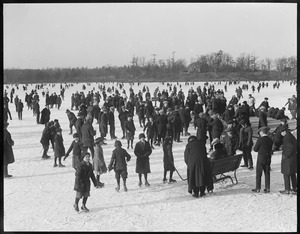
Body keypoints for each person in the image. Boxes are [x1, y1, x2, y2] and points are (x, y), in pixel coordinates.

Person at [252, 126, 273, 193]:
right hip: (268, 158)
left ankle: (258, 188)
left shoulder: (260, 140)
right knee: (267, 173)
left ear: (262, 132)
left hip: (261, 158)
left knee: (259, 173)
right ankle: (267, 188)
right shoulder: (270, 140)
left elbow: (255, 149)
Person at [279, 125, 297, 195]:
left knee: (286, 174)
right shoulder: (291, 136)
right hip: (293, 158)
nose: (281, 134)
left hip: (288, 159)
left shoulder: (287, 137)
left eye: (281, 132)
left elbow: (290, 147)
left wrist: (286, 155)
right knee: (292, 174)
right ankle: (295, 188)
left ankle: (287, 189)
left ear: (284, 131)